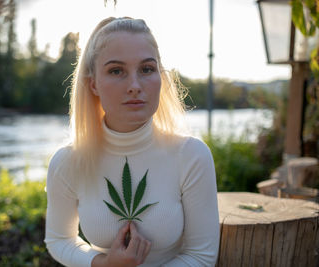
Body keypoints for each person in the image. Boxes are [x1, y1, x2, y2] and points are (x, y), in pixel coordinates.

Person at [44, 17, 220, 267]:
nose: (135, 86)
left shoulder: (191, 156)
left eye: (147, 69)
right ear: (93, 84)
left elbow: (201, 255)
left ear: (160, 76)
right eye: (117, 71)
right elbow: (60, 240)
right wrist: (105, 264)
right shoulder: (67, 161)